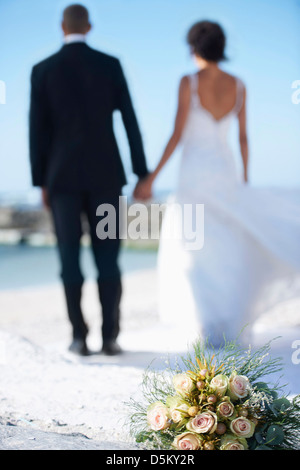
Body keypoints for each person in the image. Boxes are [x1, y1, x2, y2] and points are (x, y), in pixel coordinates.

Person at [136, 20, 300, 346]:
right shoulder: (238, 85)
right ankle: (227, 325)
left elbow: (177, 134)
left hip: (194, 174)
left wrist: (151, 178)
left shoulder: (189, 82)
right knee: (226, 247)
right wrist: (245, 180)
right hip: (225, 172)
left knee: (196, 249)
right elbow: (243, 138)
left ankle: (208, 326)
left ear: (193, 48)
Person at [29, 4, 149, 356]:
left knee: (68, 260)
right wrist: (141, 172)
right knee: (108, 260)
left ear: (61, 26)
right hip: (106, 176)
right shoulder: (109, 65)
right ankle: (110, 337)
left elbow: (37, 131)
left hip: (61, 179)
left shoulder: (42, 70)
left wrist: (41, 182)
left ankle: (79, 337)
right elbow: (130, 120)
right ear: (89, 26)